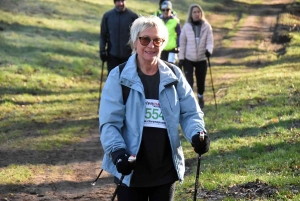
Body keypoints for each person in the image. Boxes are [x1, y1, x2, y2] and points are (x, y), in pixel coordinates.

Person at [99, 15, 210, 201]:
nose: (151, 45)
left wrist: (197, 134)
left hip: (165, 171)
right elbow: (109, 123)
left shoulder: (174, 75)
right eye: (145, 39)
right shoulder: (118, 76)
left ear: (163, 43)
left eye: (157, 40)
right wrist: (118, 153)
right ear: (135, 42)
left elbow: (190, 112)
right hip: (130, 172)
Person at [179, 4, 214, 108]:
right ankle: (191, 101)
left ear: (201, 13)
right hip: (188, 58)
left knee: (201, 81)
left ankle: (200, 96)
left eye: (198, 12)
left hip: (202, 58)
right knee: (189, 81)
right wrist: (181, 59)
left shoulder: (206, 26)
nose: (196, 14)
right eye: (194, 12)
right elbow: (183, 43)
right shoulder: (186, 27)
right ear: (191, 14)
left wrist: (209, 51)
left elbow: (210, 41)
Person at [100, 0, 139, 74]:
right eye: (118, 1)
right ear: (114, 2)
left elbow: (138, 36)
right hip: (112, 56)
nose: (120, 3)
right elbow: (103, 35)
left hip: (129, 56)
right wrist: (102, 50)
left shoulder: (133, 16)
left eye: (122, 1)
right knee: (113, 80)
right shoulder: (107, 16)